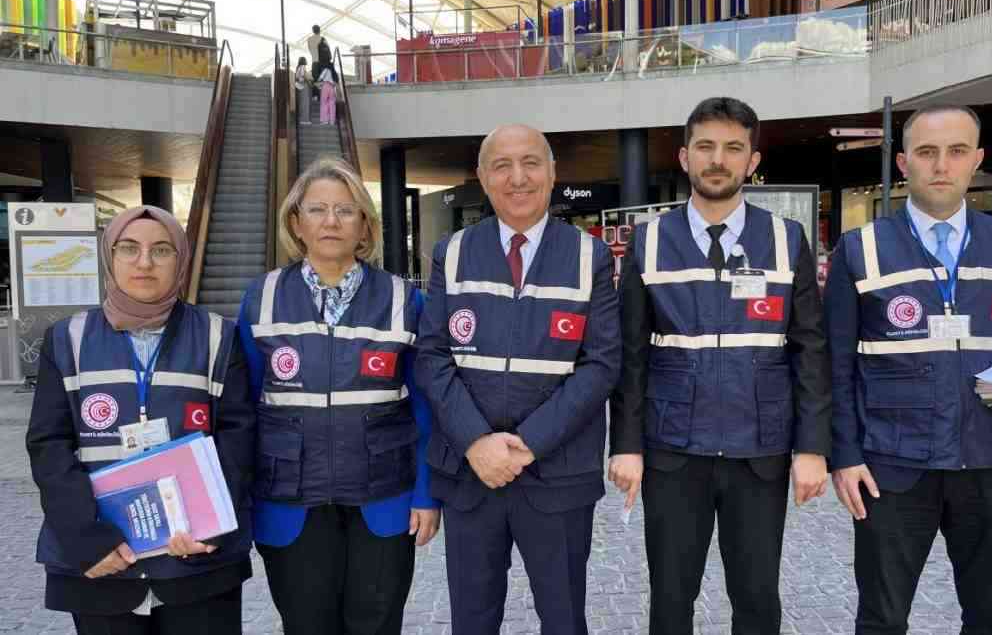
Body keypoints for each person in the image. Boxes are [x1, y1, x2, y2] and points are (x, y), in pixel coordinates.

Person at [825, 104, 992, 634]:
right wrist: (843, 455)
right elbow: (835, 365)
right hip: (892, 465)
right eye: (928, 152)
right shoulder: (858, 249)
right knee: (882, 618)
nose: (942, 165)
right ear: (904, 161)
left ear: (976, 159)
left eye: (957, 152)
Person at [609, 97, 831, 635]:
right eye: (706, 147)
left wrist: (813, 448)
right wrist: (627, 445)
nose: (718, 159)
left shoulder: (786, 240)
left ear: (752, 161)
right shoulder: (649, 240)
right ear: (685, 157)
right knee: (670, 597)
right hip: (672, 452)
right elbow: (631, 354)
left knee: (756, 599)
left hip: (761, 451)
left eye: (734, 148)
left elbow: (810, 349)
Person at [415, 124, 621, 635]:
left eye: (530, 162)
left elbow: (601, 364)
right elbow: (433, 356)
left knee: (564, 618)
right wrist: (477, 443)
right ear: (483, 178)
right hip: (471, 477)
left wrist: (527, 444)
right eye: (501, 165)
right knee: (473, 620)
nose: (517, 177)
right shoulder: (453, 252)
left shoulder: (589, 255)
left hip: (557, 475)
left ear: (552, 173)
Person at [26, 206, 255, 635]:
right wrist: (86, 535)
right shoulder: (67, 339)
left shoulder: (218, 336)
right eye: (128, 248)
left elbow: (238, 440)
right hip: (103, 561)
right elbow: (49, 445)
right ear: (109, 257)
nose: (144, 262)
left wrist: (210, 525)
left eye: (161, 250)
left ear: (182, 260)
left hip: (196, 561)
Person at [237, 157, 439, 635]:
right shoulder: (260, 298)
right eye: (318, 209)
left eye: (346, 210)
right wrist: (239, 500)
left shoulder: (404, 301)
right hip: (289, 504)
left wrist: (427, 493)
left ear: (364, 225)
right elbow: (242, 410)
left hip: (383, 501)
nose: (331, 221)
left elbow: (428, 407)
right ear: (296, 222)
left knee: (377, 625)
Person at [294, 56, 313, 124]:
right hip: (304, 86)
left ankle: (302, 119)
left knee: (302, 103)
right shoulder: (303, 67)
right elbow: (304, 76)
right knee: (305, 103)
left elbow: (297, 77)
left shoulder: (298, 67)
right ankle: (305, 120)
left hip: (300, 86)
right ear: (303, 61)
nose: (306, 61)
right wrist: (309, 82)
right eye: (305, 60)